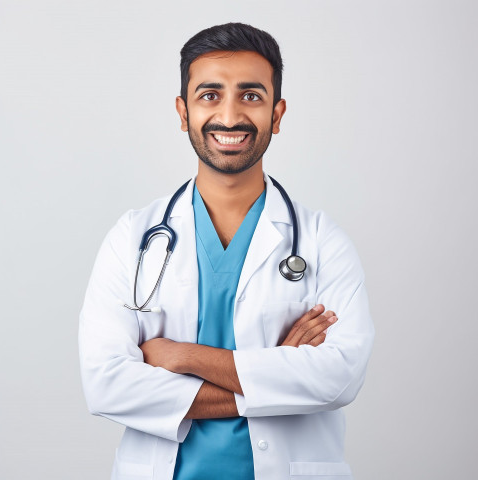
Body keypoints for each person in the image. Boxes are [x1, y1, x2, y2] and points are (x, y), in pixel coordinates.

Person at [79, 22, 374, 480]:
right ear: (183, 112)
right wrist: (277, 372)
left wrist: (182, 356)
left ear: (277, 114)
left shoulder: (322, 240)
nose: (230, 116)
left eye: (251, 96)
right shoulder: (132, 237)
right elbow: (106, 385)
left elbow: (338, 377)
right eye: (210, 95)